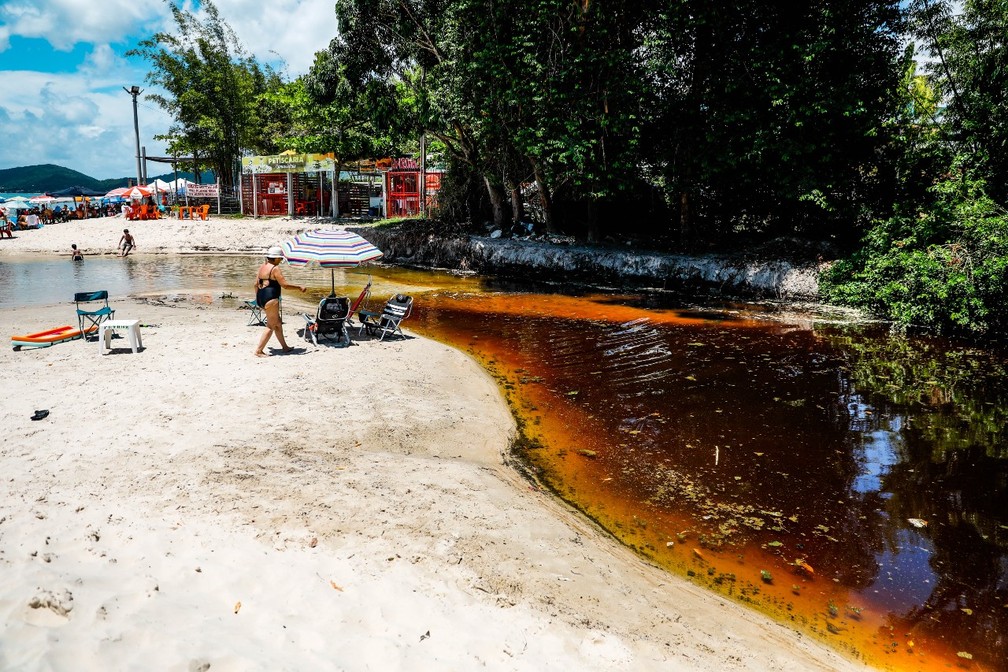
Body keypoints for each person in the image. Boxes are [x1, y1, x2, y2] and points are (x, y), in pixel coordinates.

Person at [254, 245, 307, 357]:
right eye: (280, 258)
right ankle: (259, 350)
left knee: (278, 322)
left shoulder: (262, 267)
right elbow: (285, 285)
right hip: (271, 298)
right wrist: (299, 287)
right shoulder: (275, 269)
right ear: (275, 258)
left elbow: (255, 284)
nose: (281, 260)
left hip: (261, 297)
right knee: (270, 326)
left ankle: (285, 347)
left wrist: (258, 300)